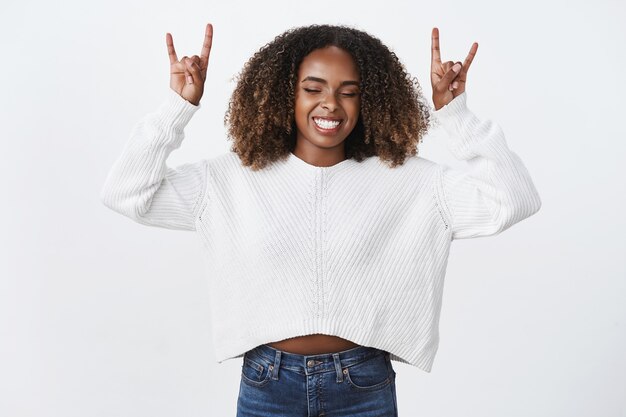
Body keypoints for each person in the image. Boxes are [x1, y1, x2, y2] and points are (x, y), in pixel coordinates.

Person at [100, 22, 541, 416]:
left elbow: (514, 199)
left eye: (349, 92)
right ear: (283, 93)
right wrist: (177, 107)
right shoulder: (228, 179)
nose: (331, 104)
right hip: (267, 385)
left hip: (363, 385)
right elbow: (126, 194)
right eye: (313, 88)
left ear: (370, 100)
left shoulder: (412, 182)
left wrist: (455, 115)